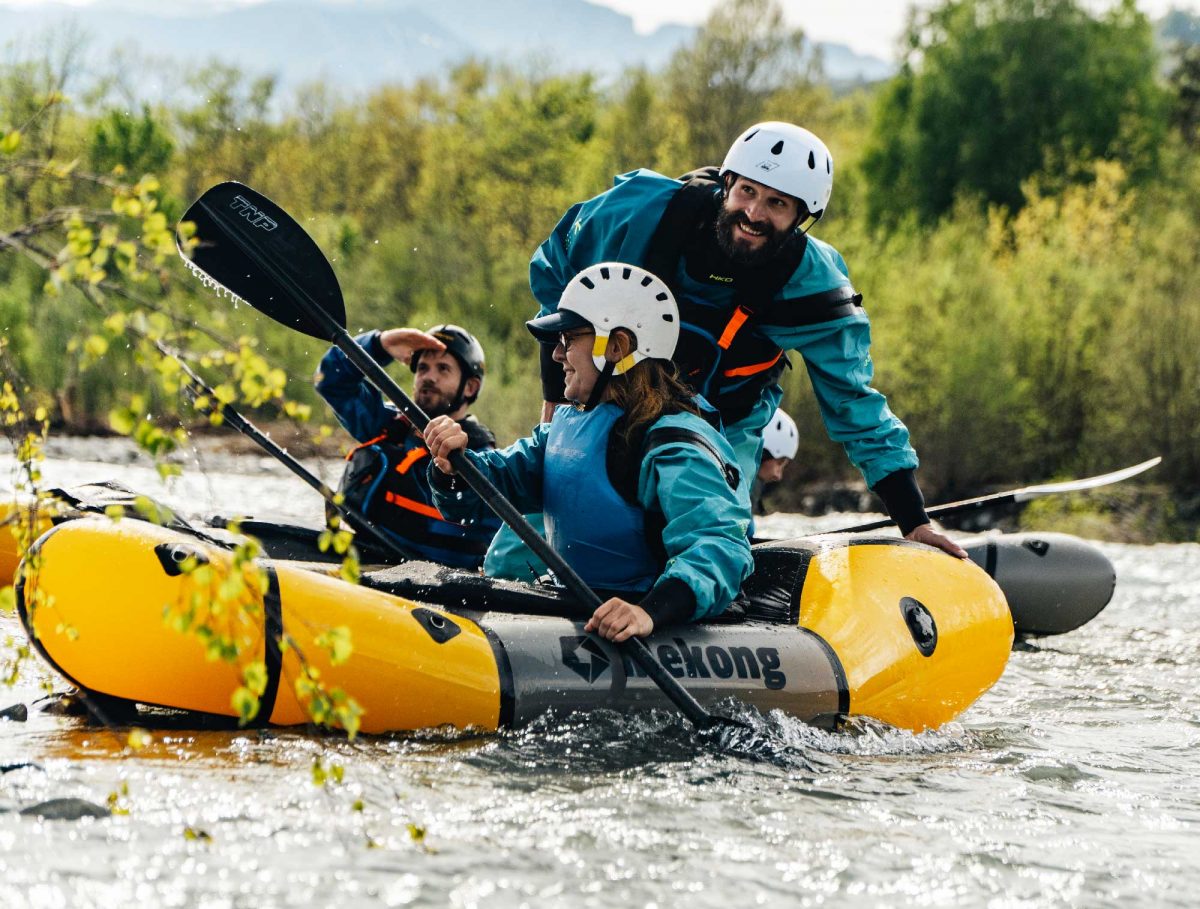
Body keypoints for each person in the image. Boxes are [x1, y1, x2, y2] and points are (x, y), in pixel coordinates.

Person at [529, 121, 967, 559]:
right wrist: (556, 393)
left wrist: (914, 521)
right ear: (727, 184)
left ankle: (687, 601)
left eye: (777, 203)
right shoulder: (640, 212)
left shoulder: (813, 286)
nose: (754, 215)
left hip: (726, 425)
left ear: (801, 218)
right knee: (534, 533)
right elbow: (556, 273)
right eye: (748, 192)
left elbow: (855, 405)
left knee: (716, 545)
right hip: (610, 398)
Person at [424, 263, 754, 642]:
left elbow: (719, 545)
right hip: (585, 605)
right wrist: (452, 466)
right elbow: (485, 491)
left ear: (617, 347)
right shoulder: (567, 428)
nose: (558, 356)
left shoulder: (675, 444)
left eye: (569, 340)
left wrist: (649, 612)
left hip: (652, 615)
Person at [314, 324, 501, 568]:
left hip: (436, 587)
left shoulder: (485, 461)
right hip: (365, 557)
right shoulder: (388, 425)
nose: (429, 377)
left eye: (443, 369)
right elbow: (330, 381)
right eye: (422, 368)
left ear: (470, 387)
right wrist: (380, 344)